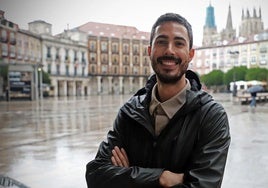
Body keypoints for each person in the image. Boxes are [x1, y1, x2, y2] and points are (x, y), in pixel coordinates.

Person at [85, 13, 231, 188]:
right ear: (149, 51)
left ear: (190, 54)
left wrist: (127, 176)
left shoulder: (211, 116)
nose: (169, 50)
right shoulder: (130, 111)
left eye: (179, 43)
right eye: (161, 42)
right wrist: (161, 178)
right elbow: (96, 175)